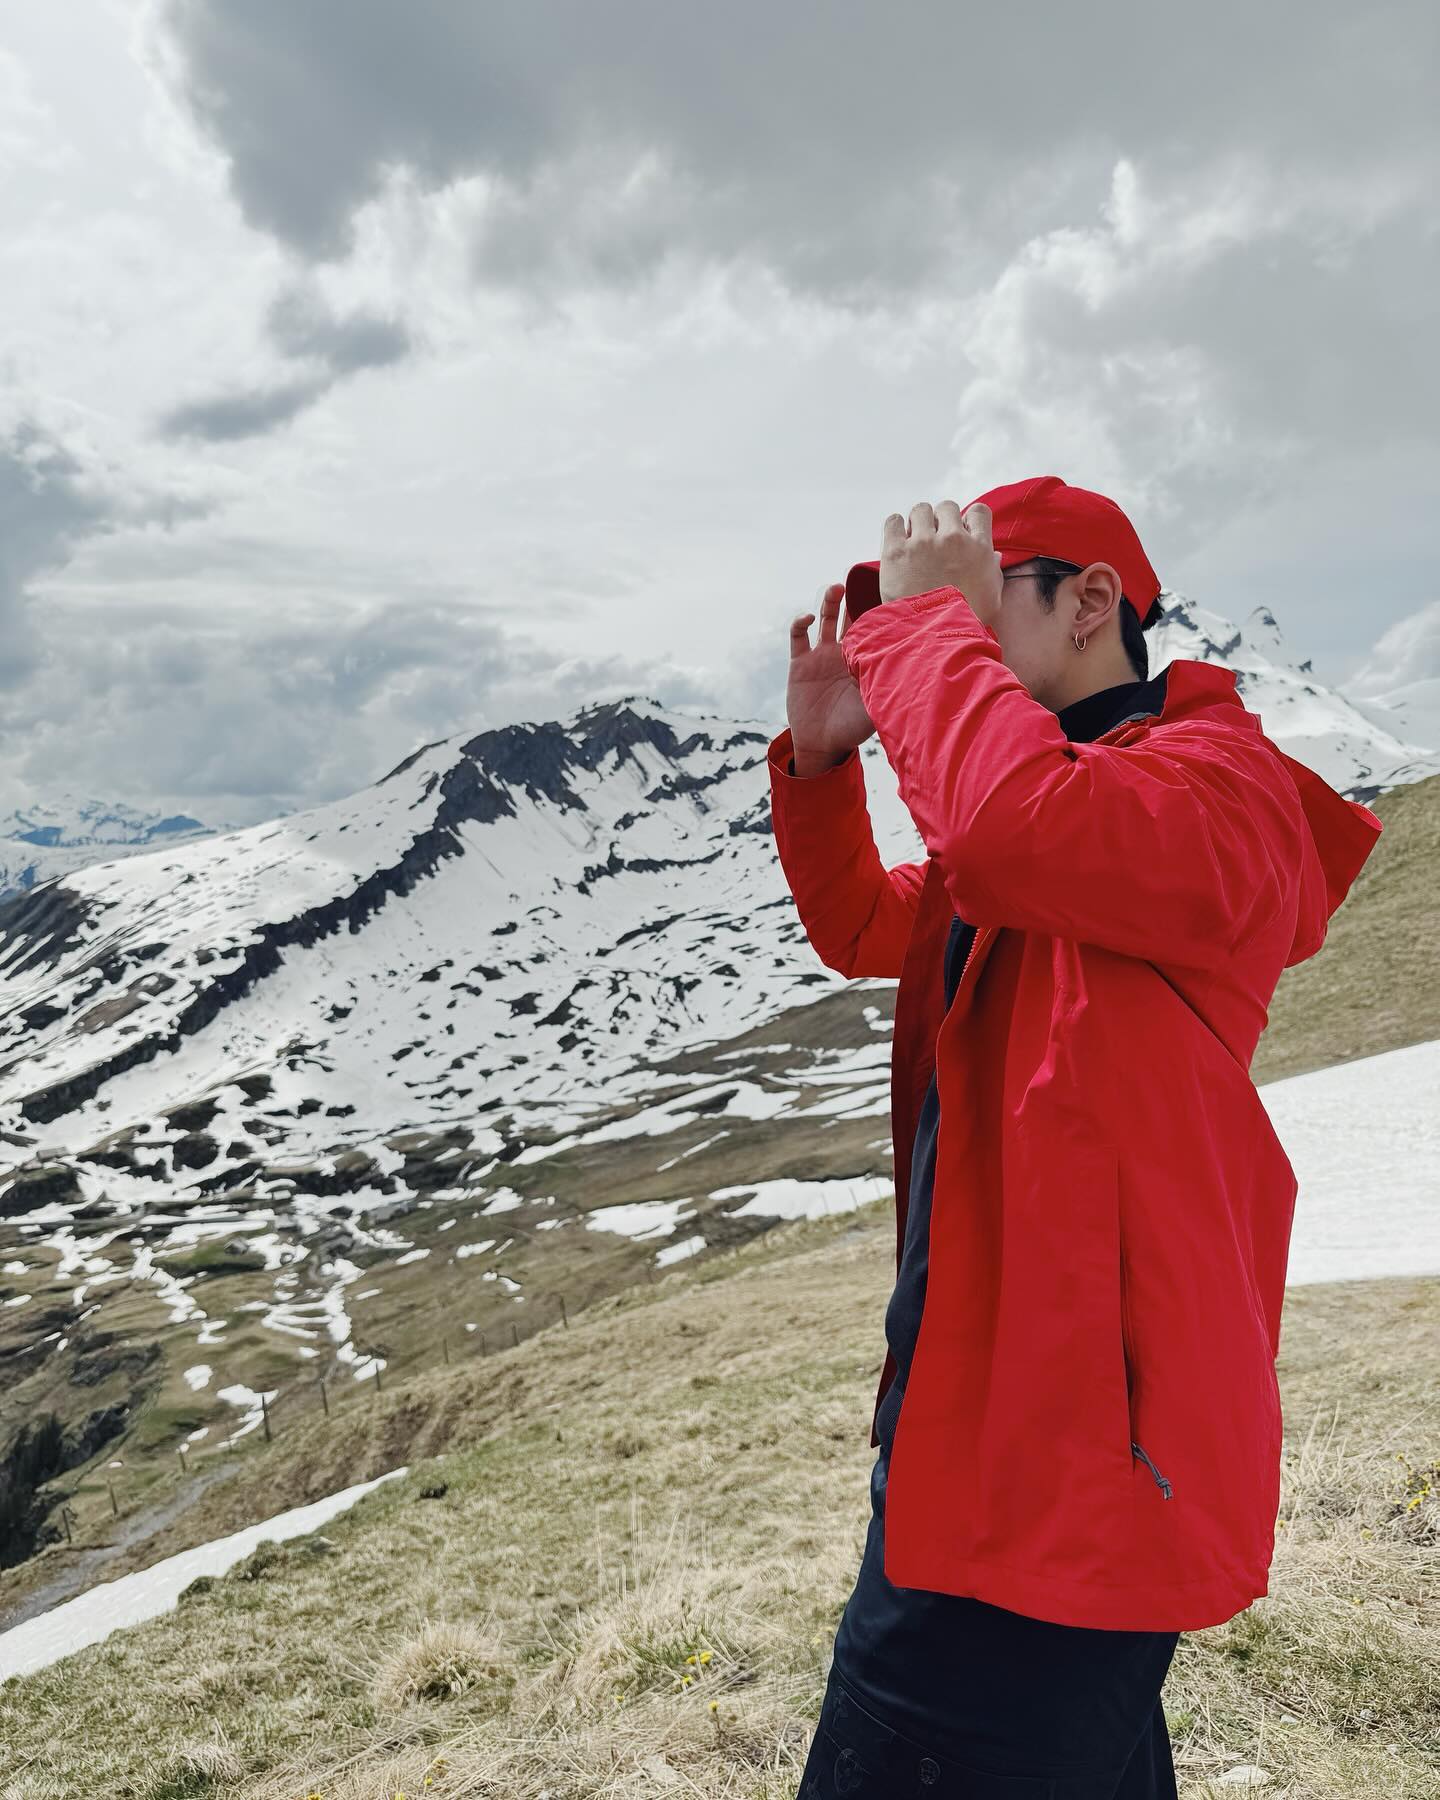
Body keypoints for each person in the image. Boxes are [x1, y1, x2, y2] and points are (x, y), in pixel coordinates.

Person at [766, 476, 1384, 1798]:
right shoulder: (1053, 820)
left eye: (974, 604)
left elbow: (1004, 823)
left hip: (1068, 1454)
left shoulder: (1221, 793)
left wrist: (926, 637)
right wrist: (825, 761)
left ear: (1093, 602)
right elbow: (867, 928)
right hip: (980, 1410)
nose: (936, 636)